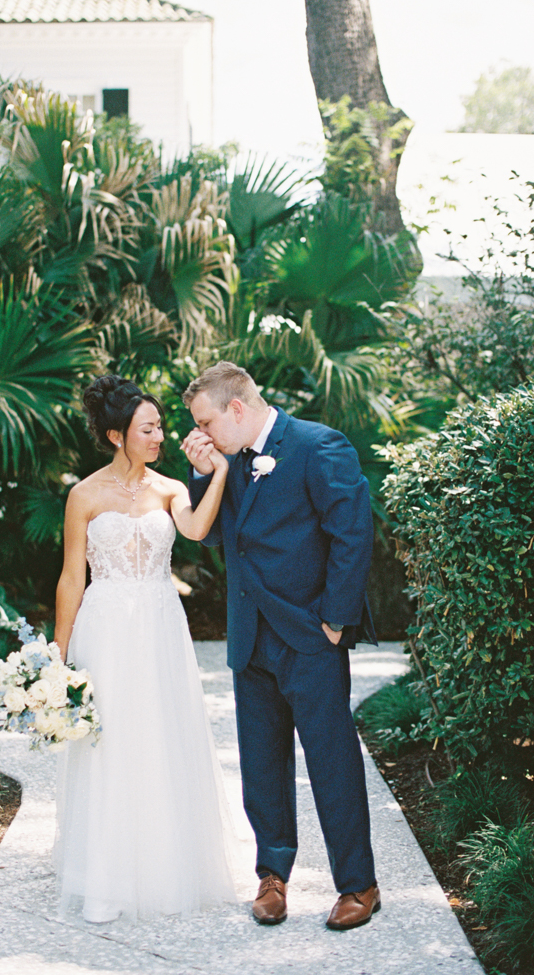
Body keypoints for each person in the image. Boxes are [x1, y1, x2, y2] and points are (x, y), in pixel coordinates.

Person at [182, 361, 379, 930]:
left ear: (236, 409)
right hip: (251, 639)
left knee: (331, 761)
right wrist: (203, 476)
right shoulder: (228, 462)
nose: (201, 434)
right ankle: (273, 876)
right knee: (261, 765)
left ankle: (359, 885)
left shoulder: (320, 446)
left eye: (205, 422)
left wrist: (335, 621)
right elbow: (219, 538)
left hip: (310, 638)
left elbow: (352, 533)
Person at [52, 374, 235, 923]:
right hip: (105, 626)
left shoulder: (170, 488)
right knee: (109, 743)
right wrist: (56, 658)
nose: (159, 436)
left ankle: (165, 867)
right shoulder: (83, 495)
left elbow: (199, 530)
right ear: (116, 435)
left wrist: (218, 471)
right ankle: (104, 879)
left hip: (158, 623)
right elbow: (69, 580)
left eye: (159, 426)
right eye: (148, 428)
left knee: (158, 735)